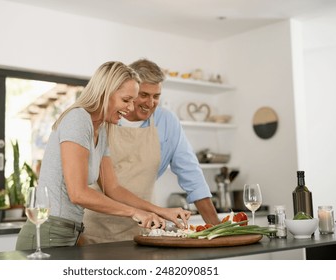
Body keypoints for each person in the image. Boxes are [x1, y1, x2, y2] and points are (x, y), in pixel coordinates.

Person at [15, 61, 191, 250]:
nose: (131, 108)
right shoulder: (78, 119)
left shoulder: (101, 129)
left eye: (133, 100)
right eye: (126, 100)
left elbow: (112, 187)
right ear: (105, 93)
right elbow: (78, 193)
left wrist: (161, 211)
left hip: (68, 234)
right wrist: (135, 213)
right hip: (47, 233)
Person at [81, 59, 220, 244]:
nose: (151, 103)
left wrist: (217, 228)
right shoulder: (104, 120)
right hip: (95, 228)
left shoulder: (167, 122)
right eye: (144, 95)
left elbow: (192, 175)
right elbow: (100, 186)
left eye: (156, 96)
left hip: (143, 229)